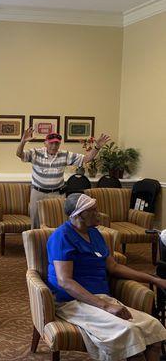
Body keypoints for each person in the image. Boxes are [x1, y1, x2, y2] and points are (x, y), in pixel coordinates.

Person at [48, 193, 166, 361]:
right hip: (73, 302)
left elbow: (114, 267)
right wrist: (105, 306)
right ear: (80, 214)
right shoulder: (61, 237)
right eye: (94, 210)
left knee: (154, 329)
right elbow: (65, 281)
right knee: (129, 334)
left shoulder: (95, 234)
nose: (99, 214)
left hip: (102, 298)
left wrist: (154, 279)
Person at [16, 129, 110, 228]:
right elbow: (19, 154)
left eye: (57, 144)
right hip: (38, 193)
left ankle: (57, 243)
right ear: (45, 143)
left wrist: (97, 147)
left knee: (58, 221)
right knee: (36, 223)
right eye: (51, 143)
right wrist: (23, 141)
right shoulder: (35, 153)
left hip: (57, 194)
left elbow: (86, 159)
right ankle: (37, 242)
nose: (54, 146)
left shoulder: (65, 155)